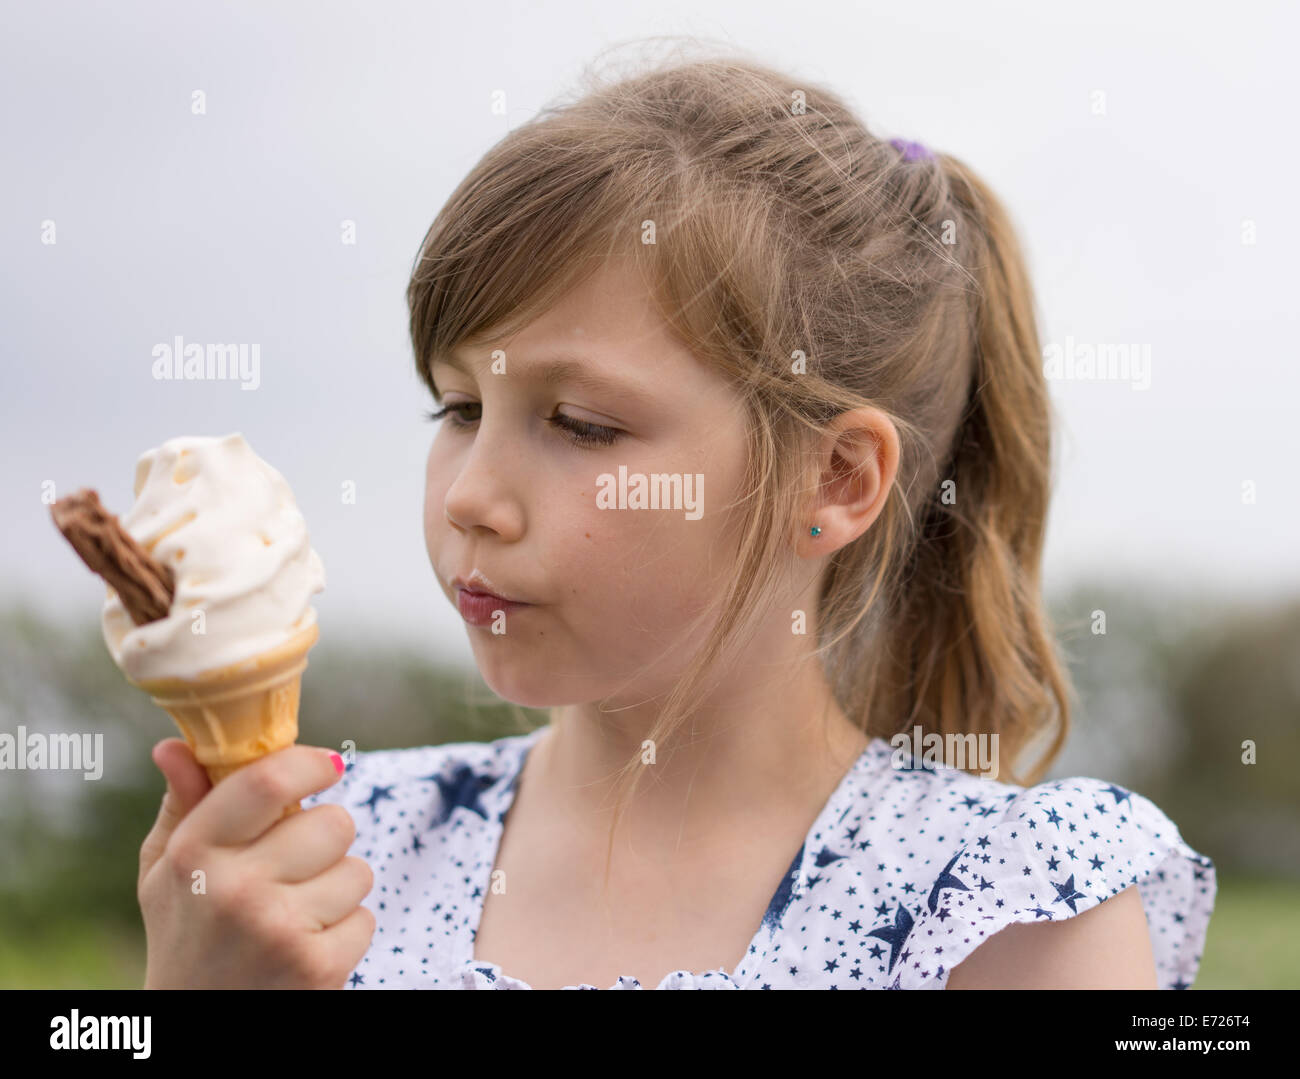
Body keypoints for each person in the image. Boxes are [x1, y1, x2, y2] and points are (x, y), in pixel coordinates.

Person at [140, 47, 1215, 990]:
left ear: (836, 478)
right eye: (460, 407)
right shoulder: (330, 852)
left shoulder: (1007, 904)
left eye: (578, 423)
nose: (470, 493)